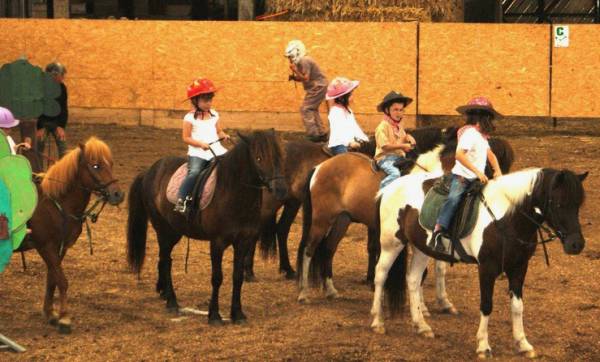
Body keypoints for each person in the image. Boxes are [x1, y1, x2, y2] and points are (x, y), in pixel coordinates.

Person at [429, 96, 503, 251]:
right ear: (481, 117)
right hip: (463, 178)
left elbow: (491, 154)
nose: (490, 121)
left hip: (477, 178)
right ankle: (438, 231)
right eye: (489, 117)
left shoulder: (481, 136)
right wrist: (477, 171)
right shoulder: (469, 134)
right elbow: (459, 155)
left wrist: (497, 170)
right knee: (454, 199)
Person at [174, 78, 229, 214]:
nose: (208, 103)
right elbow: (186, 138)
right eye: (205, 101)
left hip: (217, 150)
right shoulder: (189, 118)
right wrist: (200, 144)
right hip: (198, 152)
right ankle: (182, 199)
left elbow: (218, 130)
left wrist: (223, 135)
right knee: (194, 172)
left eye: (210, 100)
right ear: (195, 101)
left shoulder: (214, 114)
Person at [285, 40, 328, 142]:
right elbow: (304, 77)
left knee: (305, 109)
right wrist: (294, 78)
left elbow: (306, 78)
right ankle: (321, 133)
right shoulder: (303, 61)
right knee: (312, 109)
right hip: (320, 85)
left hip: (318, 86)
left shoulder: (304, 61)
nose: (290, 59)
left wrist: (295, 70)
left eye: (290, 57)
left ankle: (314, 134)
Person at [374, 91, 416, 189]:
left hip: (398, 158)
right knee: (395, 174)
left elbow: (401, 140)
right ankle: (381, 193)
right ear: (387, 110)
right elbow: (385, 146)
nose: (399, 113)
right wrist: (403, 146)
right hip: (384, 159)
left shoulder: (399, 126)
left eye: (401, 110)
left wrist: (407, 137)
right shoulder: (382, 126)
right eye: (395, 110)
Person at [325, 77, 369, 155]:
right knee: (347, 163)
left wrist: (364, 138)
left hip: (352, 142)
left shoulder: (348, 110)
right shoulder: (336, 112)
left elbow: (354, 127)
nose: (353, 97)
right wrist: (349, 142)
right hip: (340, 144)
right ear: (342, 98)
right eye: (351, 95)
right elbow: (339, 131)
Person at [37, 62, 68, 158]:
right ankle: (37, 171)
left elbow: (63, 108)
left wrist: (61, 126)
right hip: (43, 122)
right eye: (61, 75)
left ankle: (62, 170)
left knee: (63, 147)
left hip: (56, 122)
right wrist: (40, 127)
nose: (63, 77)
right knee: (38, 143)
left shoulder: (62, 88)